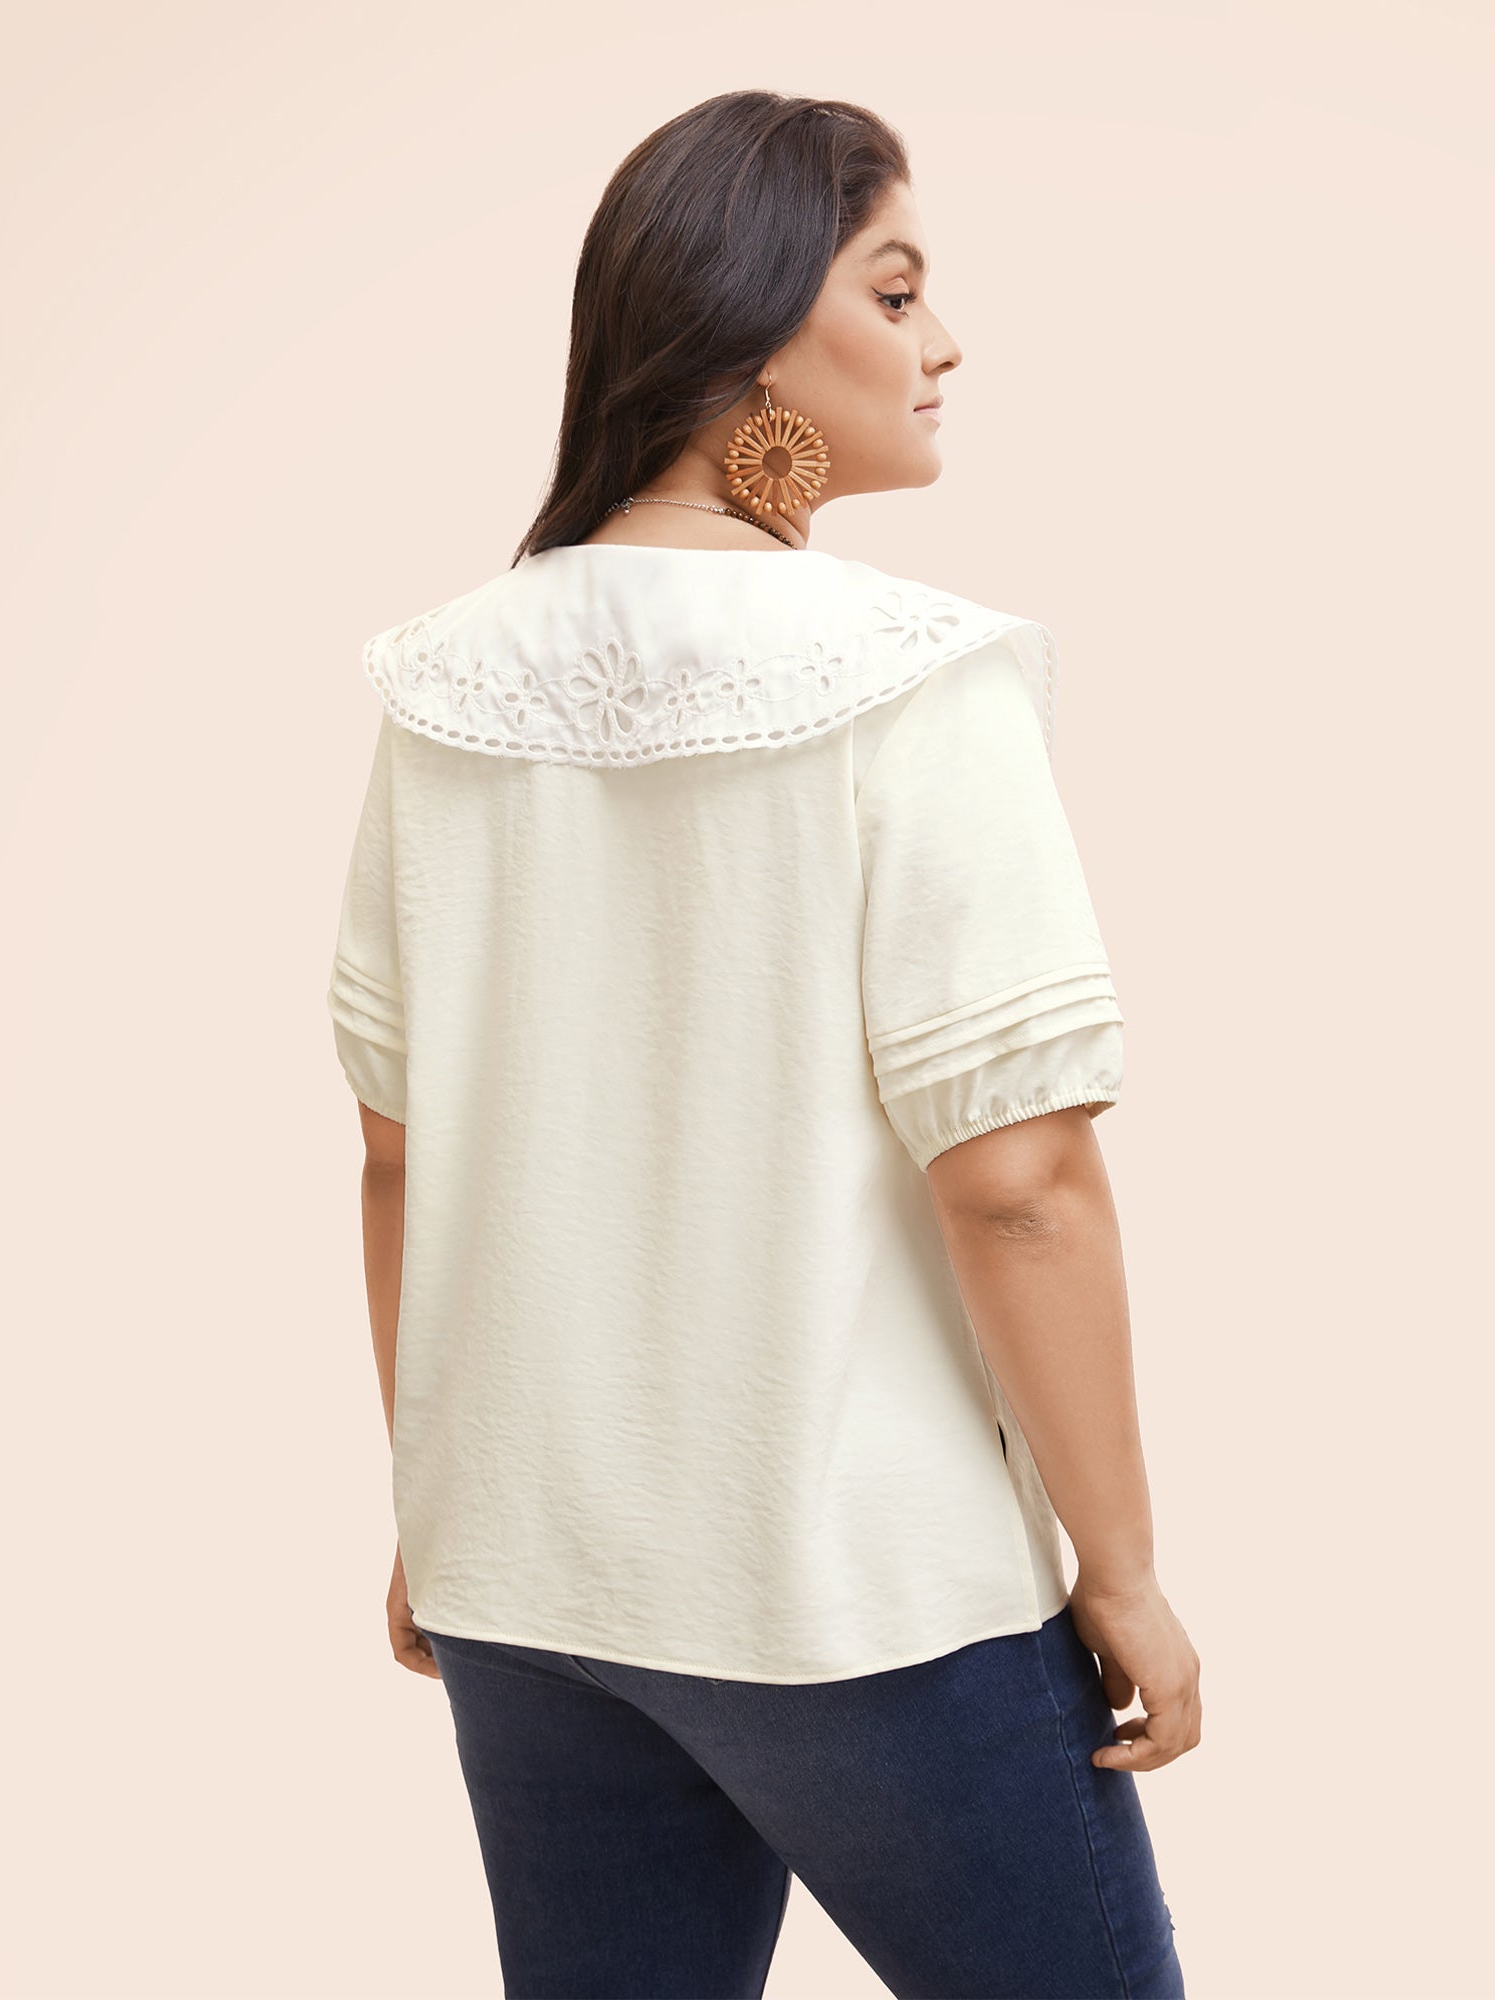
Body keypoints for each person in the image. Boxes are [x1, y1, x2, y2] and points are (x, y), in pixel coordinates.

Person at [327, 88, 1199, 2000]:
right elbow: (1021, 1181)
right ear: (743, 337)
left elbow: (401, 1160)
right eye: (893, 291)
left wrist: (439, 1507)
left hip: (533, 1592)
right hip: (865, 1596)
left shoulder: (439, 684)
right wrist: (1124, 1575)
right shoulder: (915, 677)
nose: (943, 341)